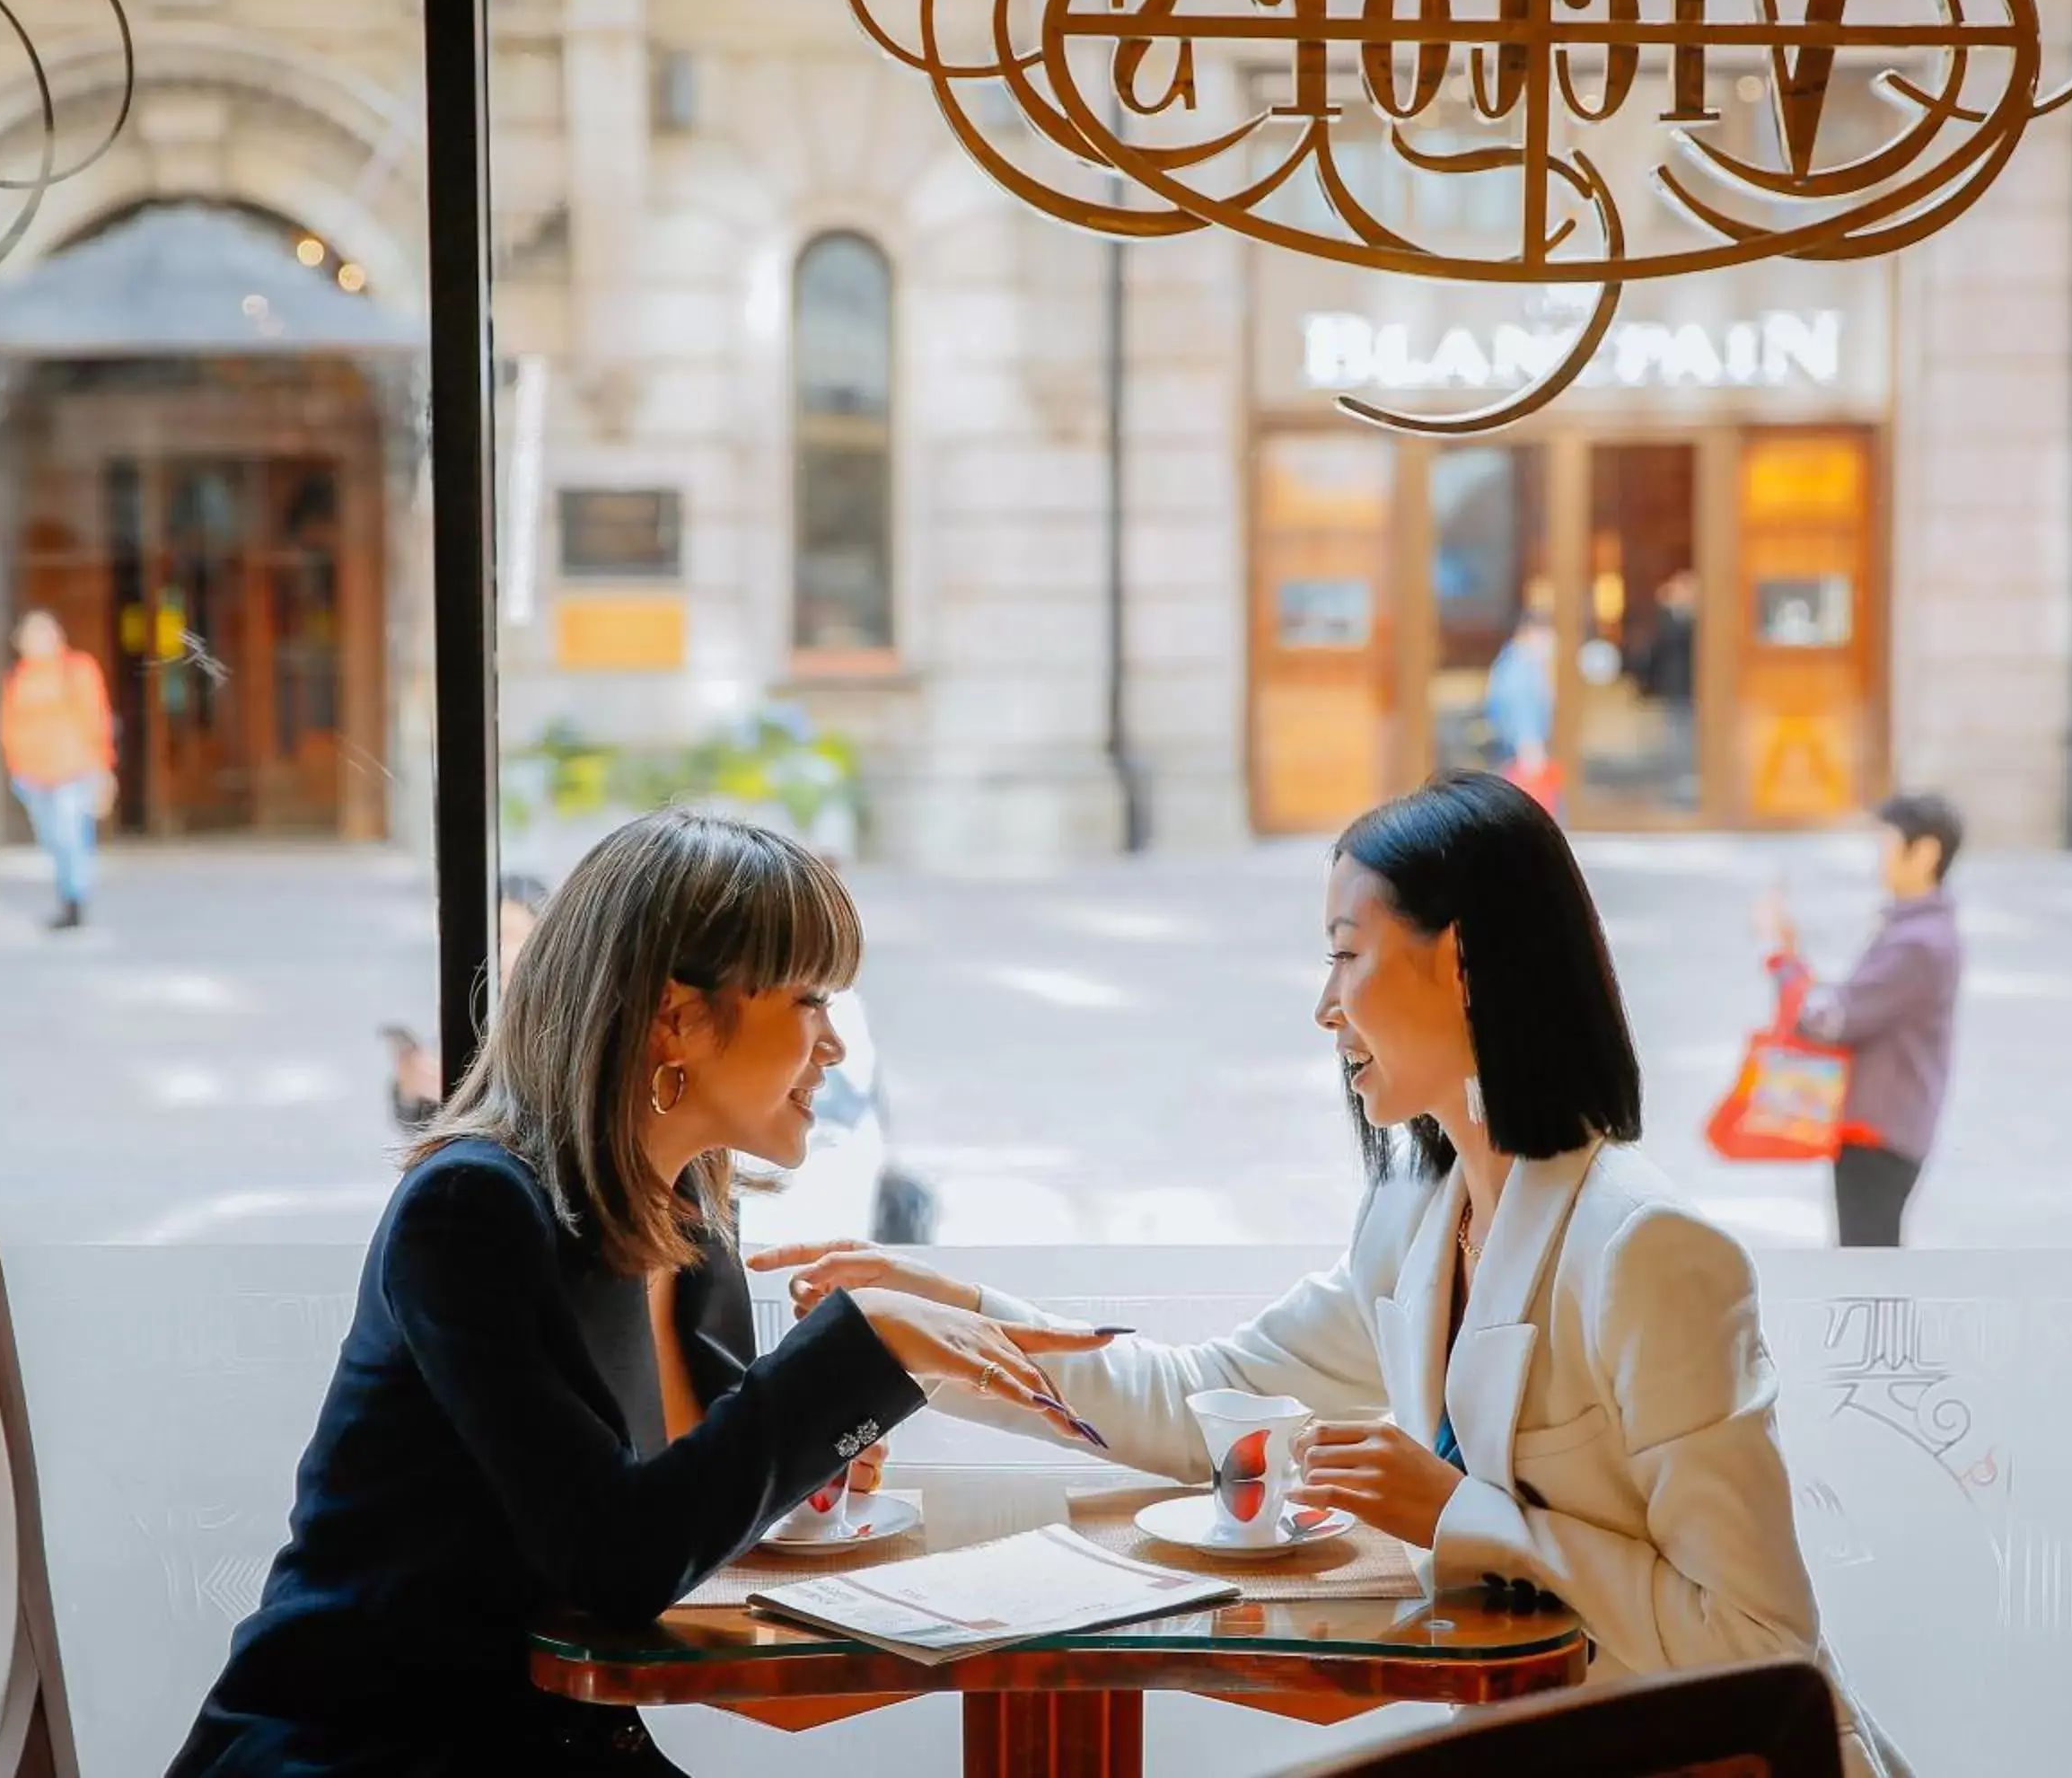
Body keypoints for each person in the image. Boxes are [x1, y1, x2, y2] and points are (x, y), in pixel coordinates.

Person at [759, 772, 1908, 1778]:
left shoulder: (1651, 1256)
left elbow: (1763, 1652)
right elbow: (1200, 1399)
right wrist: (942, 1318)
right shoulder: (1416, 1219)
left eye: (1345, 955)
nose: (1324, 1007)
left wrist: (1461, 1513)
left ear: (1459, 961)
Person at [168, 811, 1113, 1778]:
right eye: (809, 1001)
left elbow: (685, 1499)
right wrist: (864, 1348)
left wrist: (810, 1467)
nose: (833, 1045)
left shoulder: (689, 1209)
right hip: (369, 1751)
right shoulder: (469, 1212)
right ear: (676, 1018)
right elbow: (618, 1561)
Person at [1761, 794, 1966, 1249]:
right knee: (1872, 1267)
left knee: (1869, 1275)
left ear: (1925, 852)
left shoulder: (1919, 943)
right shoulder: (1919, 930)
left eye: (1887, 844)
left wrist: (1783, 960)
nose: (1880, 858)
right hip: (1887, 1122)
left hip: (1880, 1129)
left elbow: (1832, 1019)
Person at [388, 875, 549, 1133]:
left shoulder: (554, 1031)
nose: (497, 952)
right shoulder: (473, 1012)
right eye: (490, 938)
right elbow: (418, 1124)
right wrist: (413, 1088)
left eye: (511, 936)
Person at [0, 609, 115, 930]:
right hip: (33, 774)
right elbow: (10, 723)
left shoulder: (76, 670)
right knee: (51, 839)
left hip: (72, 770)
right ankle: (68, 895)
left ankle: (75, 901)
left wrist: (102, 766)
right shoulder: (19, 677)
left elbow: (96, 718)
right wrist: (15, 767)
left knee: (70, 836)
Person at [1634, 571, 1699, 806]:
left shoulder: (1693, 616)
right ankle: (1676, 783)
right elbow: (1666, 642)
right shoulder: (1668, 617)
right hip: (1675, 686)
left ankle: (1687, 782)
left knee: (1687, 736)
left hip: (1692, 687)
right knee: (1676, 737)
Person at [1484, 603, 1557, 775]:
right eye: (1545, 635)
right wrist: (1532, 753)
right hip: (1522, 757)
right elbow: (1523, 716)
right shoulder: (1520, 671)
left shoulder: (1512, 663)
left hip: (1514, 753)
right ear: (1528, 633)